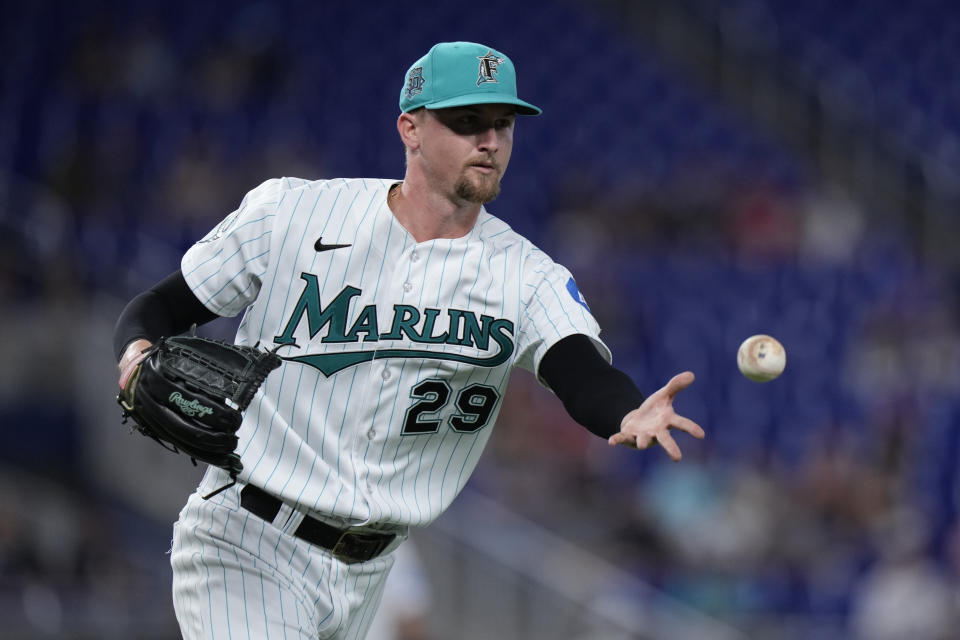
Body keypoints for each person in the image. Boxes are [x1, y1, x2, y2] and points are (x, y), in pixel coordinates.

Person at [113, 41, 704, 639]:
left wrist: (626, 409)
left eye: (502, 124)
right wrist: (136, 356)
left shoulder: (526, 277)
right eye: (467, 122)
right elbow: (157, 308)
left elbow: (577, 368)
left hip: (374, 573)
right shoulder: (292, 214)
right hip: (246, 542)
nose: (490, 141)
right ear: (411, 129)